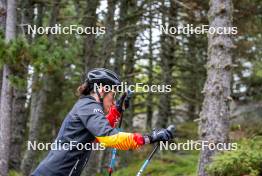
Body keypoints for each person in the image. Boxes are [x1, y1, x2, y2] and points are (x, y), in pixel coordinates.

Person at [32, 68, 173, 176]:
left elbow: (98, 137)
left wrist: (117, 110)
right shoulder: (88, 107)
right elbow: (110, 138)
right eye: (113, 94)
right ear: (102, 89)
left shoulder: (86, 106)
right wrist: (150, 138)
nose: (113, 99)